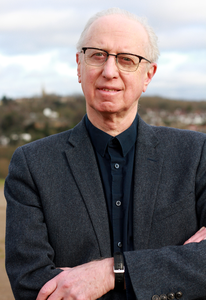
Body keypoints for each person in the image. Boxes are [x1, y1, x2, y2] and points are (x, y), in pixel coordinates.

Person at [4, 7, 206, 300]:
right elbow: (30, 284)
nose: (109, 71)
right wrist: (172, 267)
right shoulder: (31, 164)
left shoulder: (196, 153)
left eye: (126, 59)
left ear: (148, 75)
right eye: (97, 55)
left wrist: (110, 273)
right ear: (79, 65)